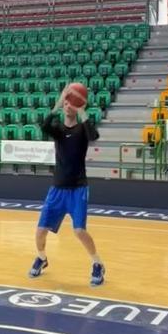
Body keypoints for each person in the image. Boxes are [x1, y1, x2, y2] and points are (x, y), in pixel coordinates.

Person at [28, 85, 105, 286]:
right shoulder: (59, 131)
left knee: (79, 231)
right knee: (40, 231)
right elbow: (44, 126)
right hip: (57, 189)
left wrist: (81, 109)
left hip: (78, 188)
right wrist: (59, 101)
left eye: (72, 102)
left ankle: (97, 264)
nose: (69, 105)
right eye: (67, 102)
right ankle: (42, 259)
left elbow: (94, 135)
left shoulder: (81, 130)